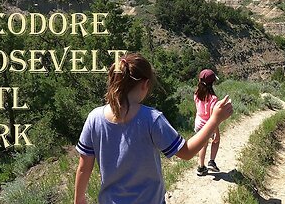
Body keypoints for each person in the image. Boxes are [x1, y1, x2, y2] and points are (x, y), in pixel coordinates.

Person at [74, 53, 233, 204]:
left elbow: (83, 167)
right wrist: (215, 120)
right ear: (146, 84)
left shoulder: (94, 118)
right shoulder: (151, 119)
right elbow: (186, 152)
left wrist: (79, 200)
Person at [194, 69, 221, 176]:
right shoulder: (213, 98)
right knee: (216, 141)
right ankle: (211, 161)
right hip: (208, 125)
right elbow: (212, 117)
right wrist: (217, 132)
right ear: (213, 82)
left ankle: (201, 167)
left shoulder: (196, 94)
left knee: (202, 145)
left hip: (198, 124)